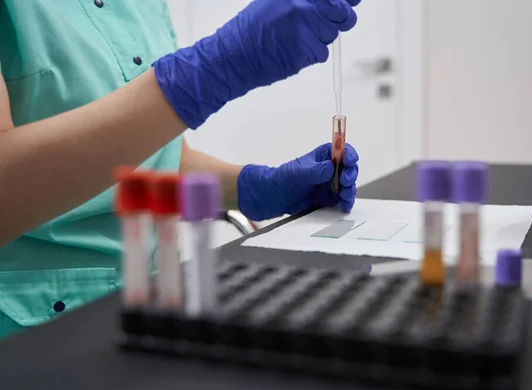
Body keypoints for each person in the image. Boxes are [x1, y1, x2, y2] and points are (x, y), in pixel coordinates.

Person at [0, 0, 361, 340]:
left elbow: (157, 157)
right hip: (32, 329)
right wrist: (210, 72)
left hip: (152, 302)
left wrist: (253, 186)